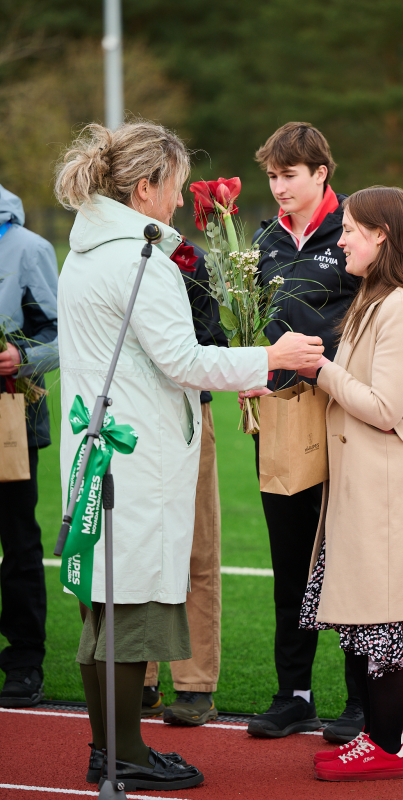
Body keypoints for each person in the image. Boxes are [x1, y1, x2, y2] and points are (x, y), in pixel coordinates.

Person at [55, 120, 323, 792]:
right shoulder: (133, 259)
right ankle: (123, 756)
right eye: (171, 188)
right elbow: (181, 360)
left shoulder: (88, 250)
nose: (177, 203)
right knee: (130, 613)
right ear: (144, 187)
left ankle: (110, 748)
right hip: (132, 459)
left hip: (100, 449)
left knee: (104, 608)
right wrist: (271, 355)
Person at [297, 186, 403, 782]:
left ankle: (387, 751)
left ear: (382, 235)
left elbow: (385, 406)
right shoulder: (376, 297)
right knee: (370, 620)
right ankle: (374, 740)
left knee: (387, 621)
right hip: (368, 487)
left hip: (392, 493)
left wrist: (320, 370)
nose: (340, 240)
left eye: (349, 229)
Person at [240, 122, 363, 742]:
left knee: (346, 558)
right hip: (281, 422)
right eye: (272, 176)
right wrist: (247, 366)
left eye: (290, 174)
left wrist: (319, 357)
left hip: (345, 417)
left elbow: (371, 321)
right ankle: (294, 694)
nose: (279, 186)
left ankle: (361, 701)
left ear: (322, 174)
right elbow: (253, 323)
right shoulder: (261, 240)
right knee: (290, 561)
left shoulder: (358, 232)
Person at [143, 236, 225, 727]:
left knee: (196, 549)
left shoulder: (186, 257)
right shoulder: (107, 255)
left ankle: (195, 684)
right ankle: (141, 676)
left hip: (187, 417)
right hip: (127, 421)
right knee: (133, 546)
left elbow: (210, 341)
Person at [0, 184, 59, 708]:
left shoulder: (28, 248)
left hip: (10, 418)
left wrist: (21, 356)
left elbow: (61, 334)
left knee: (16, 541)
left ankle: (23, 661)